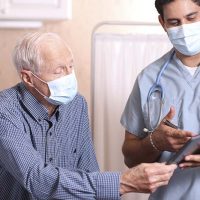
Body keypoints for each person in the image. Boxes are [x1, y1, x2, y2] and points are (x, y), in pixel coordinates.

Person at [0, 32, 176, 199]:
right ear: (28, 78)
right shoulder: (5, 111)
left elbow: (88, 170)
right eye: (59, 71)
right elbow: (36, 178)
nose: (70, 76)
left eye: (71, 66)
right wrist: (122, 182)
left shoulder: (77, 104)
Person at [121, 0, 200, 199]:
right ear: (163, 23)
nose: (184, 28)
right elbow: (130, 158)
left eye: (191, 18)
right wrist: (154, 142)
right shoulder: (149, 79)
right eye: (174, 22)